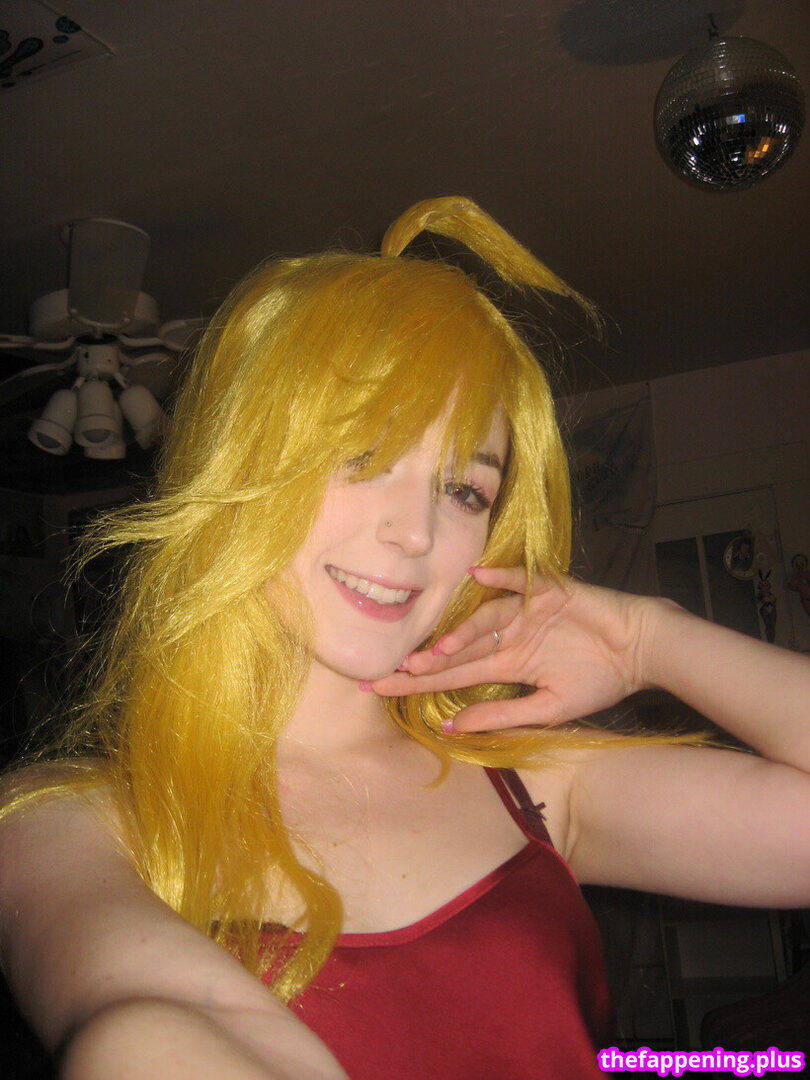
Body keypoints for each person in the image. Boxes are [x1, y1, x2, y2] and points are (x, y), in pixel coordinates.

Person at [1, 197, 809, 1080]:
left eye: (464, 491)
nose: (417, 532)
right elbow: (154, 1028)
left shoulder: (536, 787)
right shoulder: (67, 820)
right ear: (242, 457)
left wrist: (648, 640)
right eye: (362, 455)